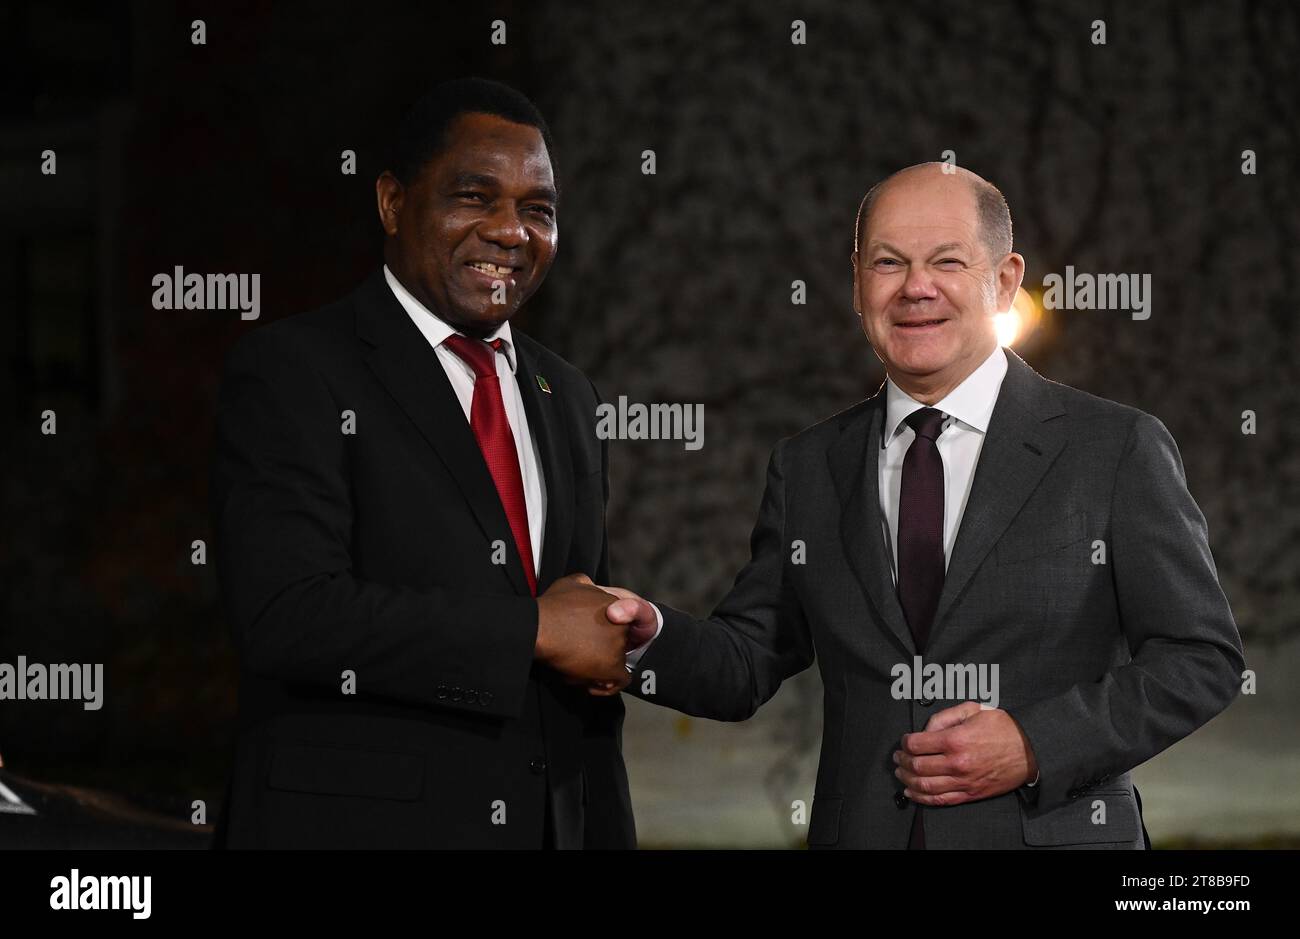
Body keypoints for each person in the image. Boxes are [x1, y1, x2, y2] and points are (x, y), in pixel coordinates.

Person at [603, 162, 1244, 849]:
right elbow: (748, 660)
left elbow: (1201, 657)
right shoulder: (809, 467)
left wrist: (1034, 743)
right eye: (888, 263)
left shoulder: (1115, 448)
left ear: (1002, 280)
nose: (916, 287)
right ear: (857, 282)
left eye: (947, 260)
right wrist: (646, 639)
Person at [210, 78, 651, 849]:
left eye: (537, 209)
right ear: (391, 202)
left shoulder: (567, 395)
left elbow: (581, 671)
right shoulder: (295, 369)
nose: (511, 231)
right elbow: (288, 616)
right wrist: (530, 630)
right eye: (475, 197)